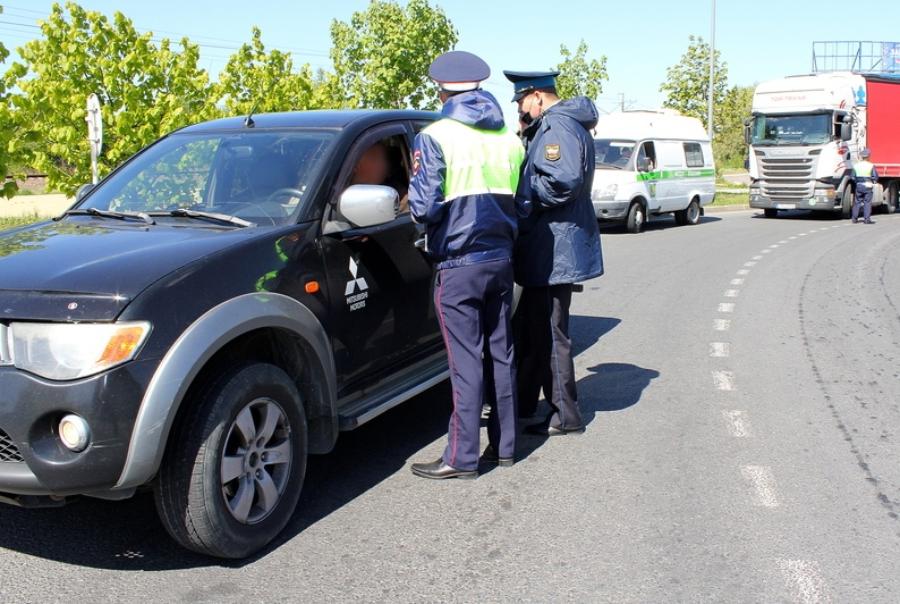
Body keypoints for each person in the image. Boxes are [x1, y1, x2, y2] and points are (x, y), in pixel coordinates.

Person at [408, 51, 525, 480]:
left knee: (465, 361)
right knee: (501, 352)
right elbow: (524, 201)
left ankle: (461, 458)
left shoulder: (435, 136)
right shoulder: (509, 139)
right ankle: (506, 446)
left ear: (442, 90)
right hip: (501, 260)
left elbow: (422, 206)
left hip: (458, 264)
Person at [503, 69, 604, 436]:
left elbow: (562, 182)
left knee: (550, 333)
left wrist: (522, 202)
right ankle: (526, 404)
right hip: (551, 247)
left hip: (554, 248)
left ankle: (566, 415)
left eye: (521, 101)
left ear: (536, 96)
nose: (520, 108)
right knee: (532, 329)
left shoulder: (557, 126)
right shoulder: (561, 124)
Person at [852, 148, 878, 224]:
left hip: (859, 185)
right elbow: (875, 176)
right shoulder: (871, 165)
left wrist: (858, 182)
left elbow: (853, 177)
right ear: (868, 156)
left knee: (857, 202)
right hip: (868, 186)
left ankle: (854, 219)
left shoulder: (856, 165)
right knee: (867, 202)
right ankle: (867, 219)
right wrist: (872, 180)